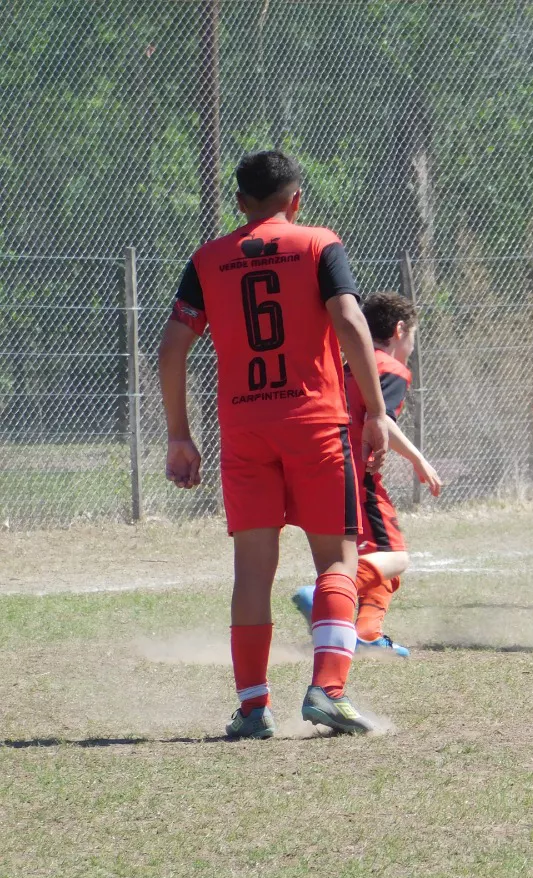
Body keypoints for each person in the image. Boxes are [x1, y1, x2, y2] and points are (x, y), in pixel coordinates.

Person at [158, 150, 391, 739]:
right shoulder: (318, 244)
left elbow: (171, 347)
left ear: (240, 203)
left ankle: (252, 707)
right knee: (336, 561)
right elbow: (350, 321)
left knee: (253, 571)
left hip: (244, 430)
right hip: (315, 423)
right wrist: (376, 411)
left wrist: (180, 435)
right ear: (296, 199)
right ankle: (327, 692)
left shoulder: (208, 259)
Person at [292, 291, 443, 657]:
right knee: (396, 556)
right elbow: (382, 421)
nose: (411, 347)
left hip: (326, 471)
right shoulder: (387, 367)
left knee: (378, 557)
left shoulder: (349, 365)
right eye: (412, 338)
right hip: (358, 477)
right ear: (399, 330)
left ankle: (367, 633)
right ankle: (325, 597)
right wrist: (419, 459)